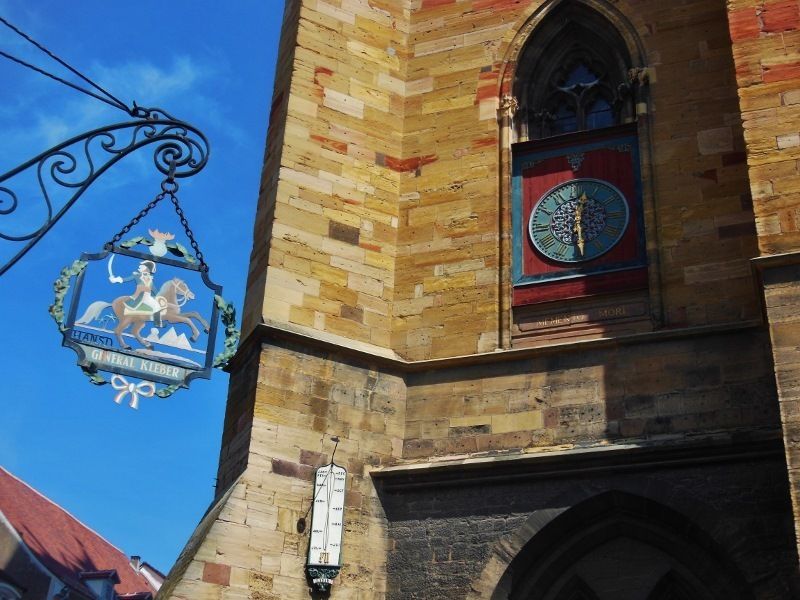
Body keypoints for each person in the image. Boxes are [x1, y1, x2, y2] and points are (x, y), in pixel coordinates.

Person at [110, 260, 164, 327]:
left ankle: (156, 322)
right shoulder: (137, 275)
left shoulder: (149, 278)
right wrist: (115, 280)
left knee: (157, 305)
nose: (139, 267)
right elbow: (126, 279)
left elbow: (153, 288)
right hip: (140, 297)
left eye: (142, 266)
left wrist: (159, 295)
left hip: (147, 296)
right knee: (156, 306)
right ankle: (157, 323)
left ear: (147, 268)